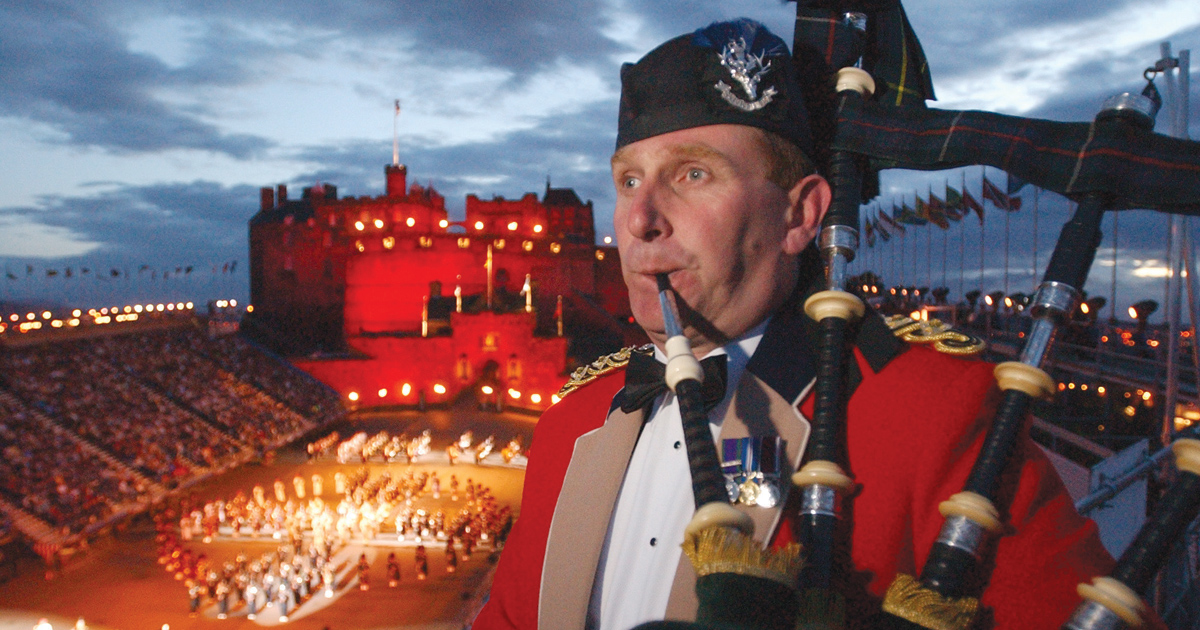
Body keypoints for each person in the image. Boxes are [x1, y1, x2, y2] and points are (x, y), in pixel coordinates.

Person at [472, 17, 1112, 630]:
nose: (640, 220)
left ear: (801, 214)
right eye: (629, 180)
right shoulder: (572, 422)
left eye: (692, 175)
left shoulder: (934, 416)